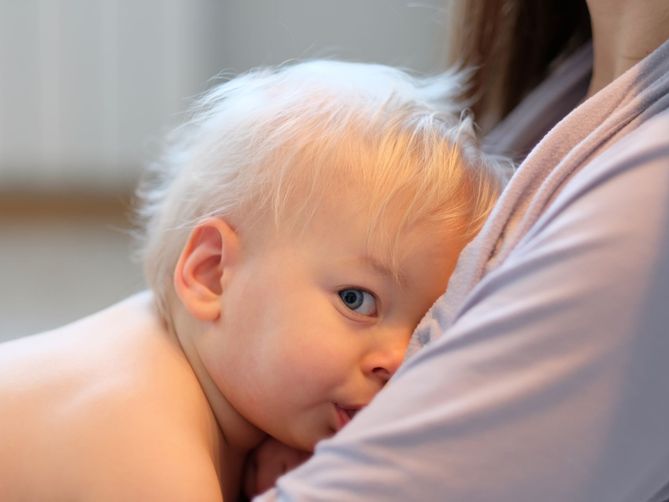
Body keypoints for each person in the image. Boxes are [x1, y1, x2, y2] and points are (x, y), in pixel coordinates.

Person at [0, 60, 508, 501]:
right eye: (358, 300)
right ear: (211, 275)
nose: (397, 361)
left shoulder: (208, 372)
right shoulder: (146, 444)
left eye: (424, 325)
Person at [252, 1, 669, 501]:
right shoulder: (577, 76)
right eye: (356, 299)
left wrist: (152, 401)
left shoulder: (650, 199)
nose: (395, 359)